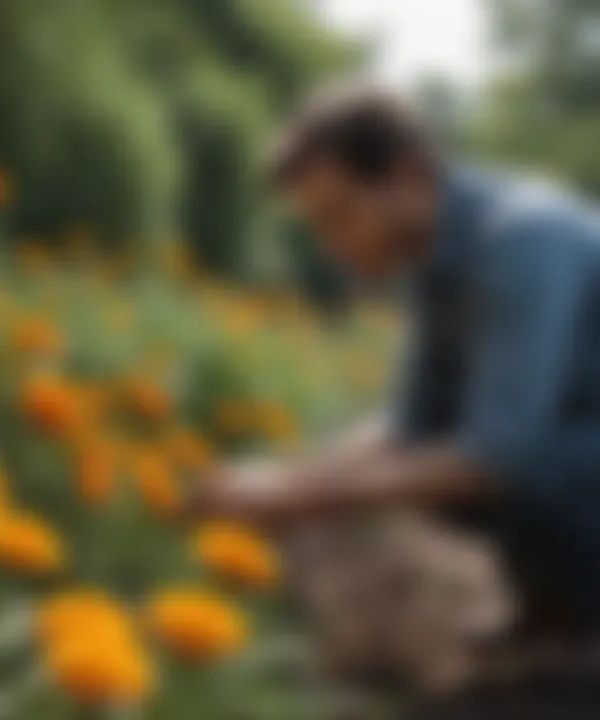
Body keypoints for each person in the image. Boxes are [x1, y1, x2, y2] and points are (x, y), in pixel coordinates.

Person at [196, 86, 600, 717]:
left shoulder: (524, 242)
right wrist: (279, 477)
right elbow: (408, 434)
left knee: (510, 468)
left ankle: (577, 614)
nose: (333, 247)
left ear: (407, 176)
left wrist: (291, 495)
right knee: (424, 463)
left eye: (339, 216)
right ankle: (563, 611)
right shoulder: (435, 267)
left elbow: (498, 455)